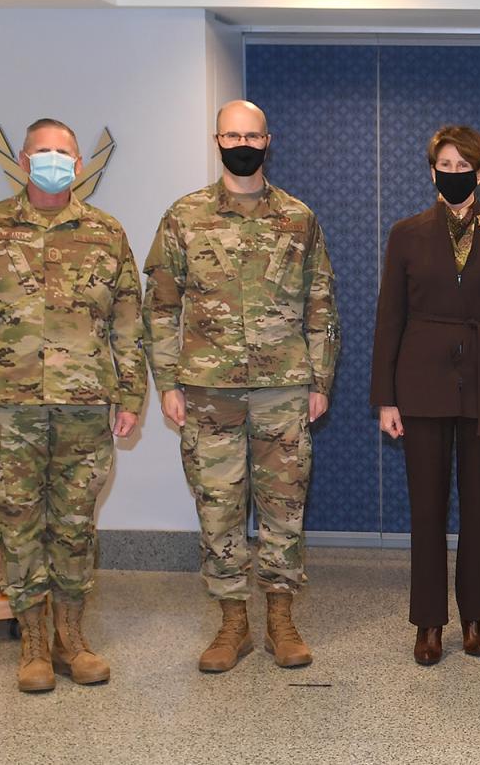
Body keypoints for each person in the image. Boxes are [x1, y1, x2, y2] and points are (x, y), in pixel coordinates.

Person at [0, 117, 146, 692]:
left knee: (76, 525)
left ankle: (71, 639)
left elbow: (128, 321)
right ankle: (31, 643)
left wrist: (131, 394)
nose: (54, 160)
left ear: (78, 166)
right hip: (9, 408)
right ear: (24, 161)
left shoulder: (106, 232)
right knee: (20, 525)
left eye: (64, 153)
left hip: (85, 407)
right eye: (43, 151)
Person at [143, 100, 338, 673]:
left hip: (283, 387)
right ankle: (233, 623)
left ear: (267, 141)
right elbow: (160, 306)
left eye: (252, 135)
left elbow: (321, 303)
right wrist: (167, 383)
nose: (243, 143)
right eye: (233, 134)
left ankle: (281, 619)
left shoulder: (298, 217)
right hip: (207, 391)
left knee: (284, 507)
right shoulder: (185, 216)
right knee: (218, 508)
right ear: (217, 140)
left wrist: (319, 379)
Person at [371, 125, 480, 666]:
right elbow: (389, 317)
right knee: (427, 508)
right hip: (421, 386)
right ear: (432, 170)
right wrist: (385, 398)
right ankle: (428, 622)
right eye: (445, 165)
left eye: (465, 167)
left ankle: (475, 615)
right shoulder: (406, 233)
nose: (454, 174)